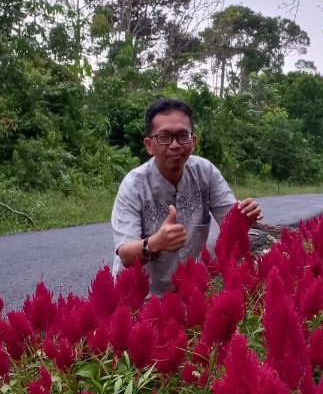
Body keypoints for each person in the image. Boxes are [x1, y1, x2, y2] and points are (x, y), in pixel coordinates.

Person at [111, 97, 262, 296]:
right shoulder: (134, 186)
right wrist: (154, 244)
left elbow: (231, 226)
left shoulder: (205, 173)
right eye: (164, 137)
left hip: (187, 291)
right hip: (139, 298)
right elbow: (125, 255)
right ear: (149, 145)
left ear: (193, 141)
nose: (175, 145)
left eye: (183, 136)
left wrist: (244, 219)